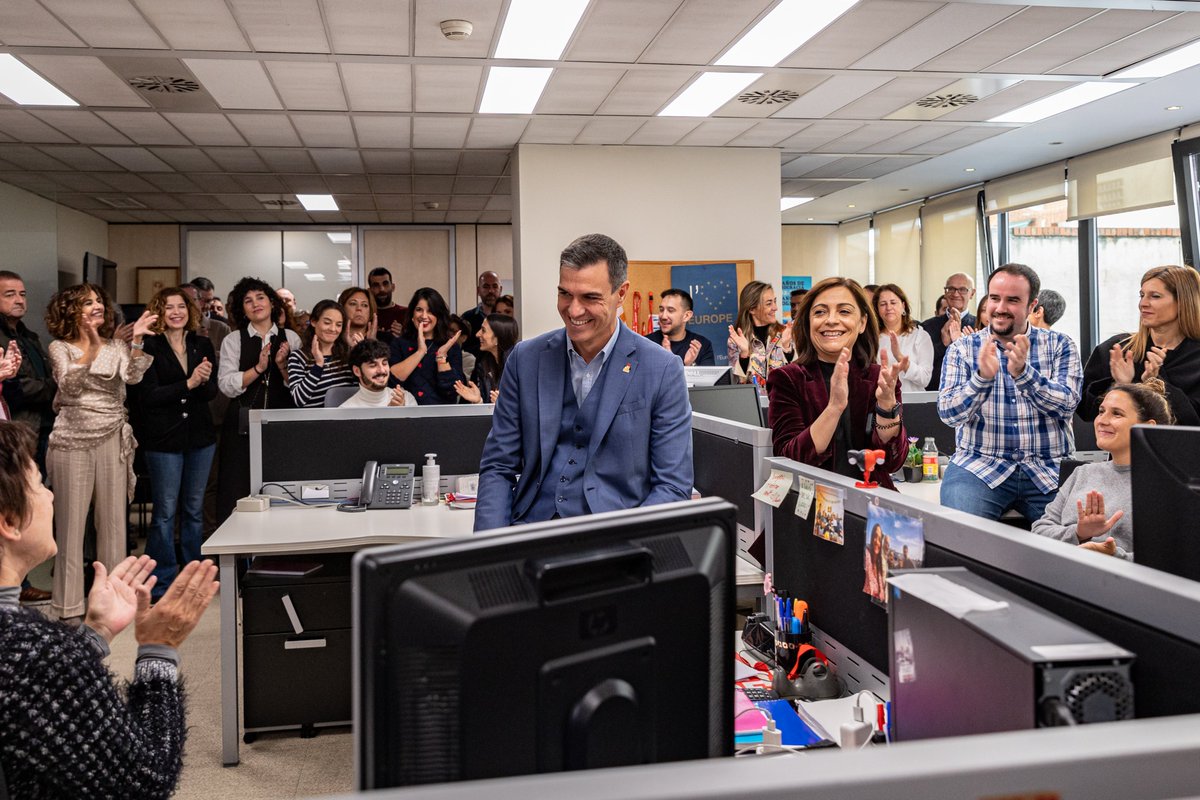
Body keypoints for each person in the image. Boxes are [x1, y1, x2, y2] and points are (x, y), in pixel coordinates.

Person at [0, 419, 219, 799]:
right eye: (39, 485)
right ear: (9, 521)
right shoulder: (34, 655)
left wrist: (94, 635)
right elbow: (144, 780)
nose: (51, 496)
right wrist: (158, 650)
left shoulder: (34, 654)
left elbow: (32, 711)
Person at [474, 233, 693, 532]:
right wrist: (489, 548)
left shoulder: (662, 368)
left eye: (590, 297)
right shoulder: (525, 360)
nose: (573, 310)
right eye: (565, 294)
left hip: (619, 544)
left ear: (622, 293)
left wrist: (629, 550)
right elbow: (498, 466)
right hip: (532, 533)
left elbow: (672, 486)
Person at [45, 284, 157, 622]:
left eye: (98, 301)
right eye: (87, 303)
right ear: (70, 311)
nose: (97, 307)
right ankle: (68, 607)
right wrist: (91, 348)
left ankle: (114, 601)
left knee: (112, 526)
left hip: (112, 437)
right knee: (70, 528)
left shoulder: (116, 346)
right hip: (70, 441)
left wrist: (135, 340)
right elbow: (69, 385)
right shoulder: (59, 347)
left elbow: (134, 378)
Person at [938, 264, 1083, 523]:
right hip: (979, 465)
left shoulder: (1061, 345)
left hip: (1048, 468)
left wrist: (1024, 375)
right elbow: (949, 414)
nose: (1000, 307)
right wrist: (981, 379)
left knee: (1073, 542)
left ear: (1032, 306)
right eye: (995, 298)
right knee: (963, 536)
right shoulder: (963, 349)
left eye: (1013, 300)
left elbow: (1068, 404)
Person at [767, 277, 906, 488]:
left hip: (871, 505)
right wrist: (834, 408)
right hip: (813, 505)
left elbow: (892, 462)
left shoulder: (879, 378)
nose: (831, 320)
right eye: (820, 312)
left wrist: (887, 408)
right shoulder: (788, 378)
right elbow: (789, 459)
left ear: (862, 323)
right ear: (807, 323)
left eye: (844, 311)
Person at [131, 288, 218, 598]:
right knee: (165, 512)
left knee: (194, 510)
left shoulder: (201, 343)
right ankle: (163, 581)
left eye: (181, 306)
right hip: (163, 440)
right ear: (159, 313)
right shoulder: (149, 346)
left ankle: (194, 577)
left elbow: (210, 395)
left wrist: (203, 382)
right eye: (169, 307)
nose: (176, 312)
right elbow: (147, 397)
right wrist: (189, 383)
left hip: (200, 438)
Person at [1034, 381, 1173, 559]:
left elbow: (1173, 559)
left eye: (1117, 414)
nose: (1102, 421)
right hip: (1066, 577)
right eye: (1101, 412)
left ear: (1147, 427)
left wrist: (1114, 555)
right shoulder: (1082, 473)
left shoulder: (1166, 485)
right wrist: (1079, 533)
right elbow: (1039, 531)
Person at [216, 277, 300, 522]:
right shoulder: (233, 340)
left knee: (281, 488)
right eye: (248, 301)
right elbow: (227, 385)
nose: (255, 304)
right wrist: (259, 368)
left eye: (260, 298)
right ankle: (239, 555)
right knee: (238, 488)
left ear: (272, 303)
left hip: (282, 423)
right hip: (242, 425)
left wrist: (282, 367)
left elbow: (298, 386)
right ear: (242, 309)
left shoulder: (292, 338)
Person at [1079, 265, 1200, 426]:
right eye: (1142, 295)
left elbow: (1193, 420)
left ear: (1183, 302)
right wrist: (1120, 386)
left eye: (1155, 296)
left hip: (1187, 450)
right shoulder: (1116, 350)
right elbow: (1086, 412)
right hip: (1126, 451)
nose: (1143, 303)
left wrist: (1157, 384)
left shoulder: (1195, 357)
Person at [388, 287, 464, 405]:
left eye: (430, 311)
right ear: (412, 313)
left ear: (438, 315)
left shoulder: (450, 347)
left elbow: (453, 391)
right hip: (407, 415)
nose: (424, 316)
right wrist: (420, 352)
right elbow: (391, 381)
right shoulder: (399, 343)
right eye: (419, 309)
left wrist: (441, 357)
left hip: (441, 417)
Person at [287, 299, 356, 408]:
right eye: (327, 323)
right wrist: (318, 364)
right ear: (314, 322)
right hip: (316, 422)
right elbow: (299, 400)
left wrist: (360, 354)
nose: (333, 329)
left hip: (348, 420)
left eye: (338, 325)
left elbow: (364, 389)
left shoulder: (348, 355)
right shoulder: (298, 357)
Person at [727, 280, 793, 384]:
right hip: (751, 399)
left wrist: (786, 347)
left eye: (775, 301)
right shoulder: (736, 340)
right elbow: (735, 382)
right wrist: (744, 354)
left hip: (782, 399)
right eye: (769, 303)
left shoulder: (785, 333)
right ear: (752, 309)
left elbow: (799, 374)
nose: (775, 308)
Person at [874, 283, 933, 395]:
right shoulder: (872, 338)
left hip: (914, 403)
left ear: (903, 306)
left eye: (893, 302)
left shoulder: (920, 336)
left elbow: (925, 379)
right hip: (881, 402)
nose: (888, 308)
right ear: (877, 309)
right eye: (883, 304)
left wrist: (900, 357)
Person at [921, 272, 976, 390]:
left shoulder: (979, 326)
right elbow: (922, 364)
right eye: (950, 289)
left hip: (970, 394)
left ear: (972, 293)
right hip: (933, 394)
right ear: (945, 292)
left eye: (962, 289)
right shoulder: (927, 326)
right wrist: (943, 344)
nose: (956, 294)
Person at [455, 313, 519, 404]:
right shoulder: (483, 363)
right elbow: (487, 406)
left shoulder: (518, 364)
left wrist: (505, 406)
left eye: (483, 330)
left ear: (497, 338)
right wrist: (478, 401)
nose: (477, 334)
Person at [646, 288, 715, 366]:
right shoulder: (646, 344)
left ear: (686, 316)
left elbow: (706, 378)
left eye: (670, 310)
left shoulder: (702, 345)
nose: (663, 316)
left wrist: (689, 365)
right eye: (661, 310)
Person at [341, 339, 415, 408]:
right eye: (373, 365)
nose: (382, 370)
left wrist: (403, 413)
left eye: (384, 363)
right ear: (357, 371)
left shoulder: (407, 399)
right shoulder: (346, 410)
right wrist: (391, 414)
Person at [461, 271, 503, 356]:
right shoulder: (466, 318)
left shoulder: (507, 318)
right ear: (478, 290)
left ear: (500, 289)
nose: (491, 291)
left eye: (495, 286)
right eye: (486, 287)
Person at [368, 267, 407, 344]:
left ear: (393, 287)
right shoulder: (366, 315)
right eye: (376, 285)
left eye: (385, 284)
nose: (382, 289)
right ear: (370, 290)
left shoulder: (407, 313)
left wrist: (404, 335)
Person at [448, 315, 477, 380]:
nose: (448, 334)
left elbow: (464, 383)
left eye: (453, 331)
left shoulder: (468, 359)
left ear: (463, 338)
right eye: (446, 330)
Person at [863, 524, 886, 603]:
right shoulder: (867, 555)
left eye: (879, 539)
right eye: (875, 536)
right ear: (871, 537)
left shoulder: (880, 568)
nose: (877, 541)